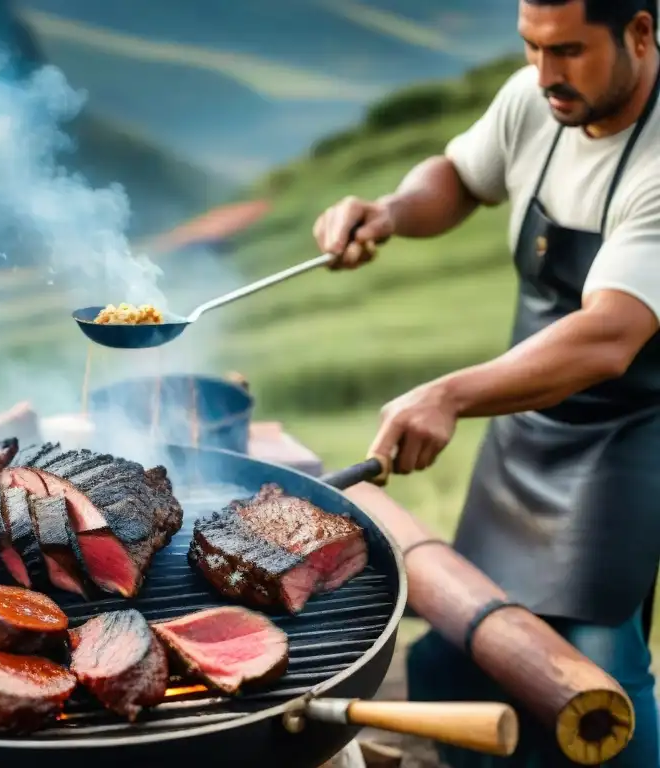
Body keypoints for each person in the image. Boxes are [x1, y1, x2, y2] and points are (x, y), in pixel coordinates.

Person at [312, 0, 660, 765]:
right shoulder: (534, 100)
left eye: (568, 50)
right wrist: (393, 211)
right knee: (462, 655)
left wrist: (451, 394)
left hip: (621, 440)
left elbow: (610, 337)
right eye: (531, 48)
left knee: (599, 683)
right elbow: (461, 177)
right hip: (523, 423)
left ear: (640, 32)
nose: (545, 75)